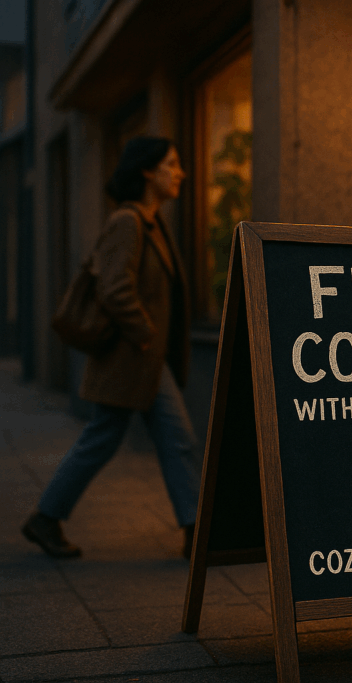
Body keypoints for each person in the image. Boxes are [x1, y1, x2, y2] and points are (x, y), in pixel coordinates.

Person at [22, 137, 200, 559]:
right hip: (135, 357)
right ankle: (197, 530)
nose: (181, 173)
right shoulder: (129, 221)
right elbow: (115, 288)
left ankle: (46, 518)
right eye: (172, 165)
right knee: (175, 439)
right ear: (146, 171)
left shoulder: (153, 222)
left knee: (109, 438)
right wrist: (144, 334)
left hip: (140, 358)